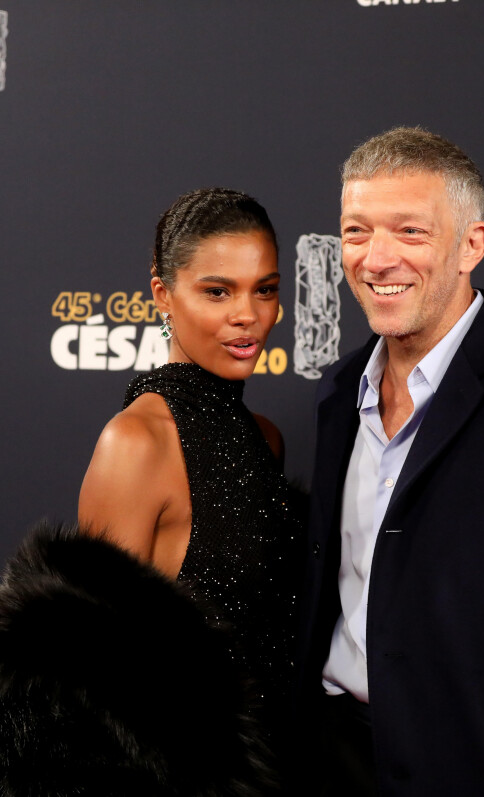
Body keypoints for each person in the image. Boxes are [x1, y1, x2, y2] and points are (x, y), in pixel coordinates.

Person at [298, 127, 484, 796]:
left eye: (411, 232)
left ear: (471, 245)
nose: (377, 258)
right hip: (331, 762)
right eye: (357, 230)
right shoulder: (339, 397)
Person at [78, 188, 300, 746]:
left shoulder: (265, 439)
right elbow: (96, 682)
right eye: (217, 291)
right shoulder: (136, 443)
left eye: (265, 290)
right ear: (163, 294)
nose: (247, 316)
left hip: (284, 766)